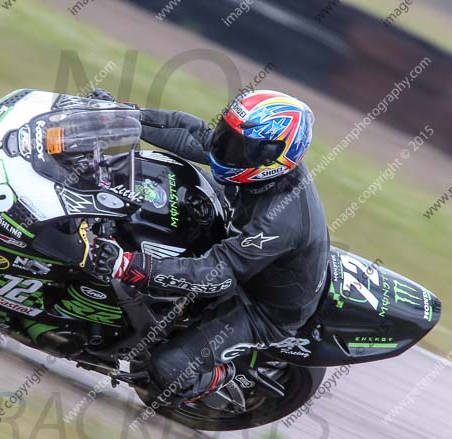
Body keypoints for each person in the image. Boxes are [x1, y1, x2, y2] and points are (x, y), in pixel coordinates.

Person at [88, 89, 330, 407]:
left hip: (260, 307)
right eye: (227, 135)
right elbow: (193, 133)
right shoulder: (251, 161)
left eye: (239, 146)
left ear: (273, 159)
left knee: (165, 371)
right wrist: (121, 116)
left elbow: (217, 275)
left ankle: (227, 376)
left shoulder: (279, 221)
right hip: (238, 237)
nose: (225, 148)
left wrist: (127, 265)